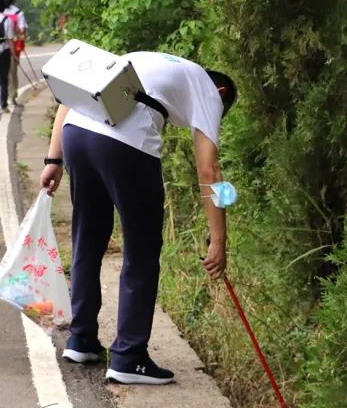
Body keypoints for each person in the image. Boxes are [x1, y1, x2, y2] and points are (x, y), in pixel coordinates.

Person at [39, 52, 237, 385]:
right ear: (221, 95)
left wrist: (53, 159)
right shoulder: (208, 90)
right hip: (123, 145)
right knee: (142, 247)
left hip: (76, 132)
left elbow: (67, 98)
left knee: (88, 236)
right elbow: (211, 170)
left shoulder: (150, 63)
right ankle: (129, 356)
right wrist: (219, 239)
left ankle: (81, 338)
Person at [4, 0, 28, 107]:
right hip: (13, 44)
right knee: (13, 71)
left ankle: (5, 97)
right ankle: (12, 96)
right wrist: (22, 43)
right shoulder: (18, 13)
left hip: (0, 45)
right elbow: (22, 31)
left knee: (3, 72)